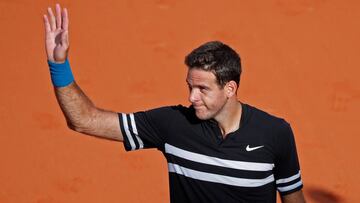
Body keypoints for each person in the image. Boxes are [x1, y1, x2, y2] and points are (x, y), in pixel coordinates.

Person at [43, 4, 306, 203]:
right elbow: (84, 120)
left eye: (202, 89)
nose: (192, 97)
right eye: (190, 87)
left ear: (230, 88)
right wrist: (59, 65)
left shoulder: (275, 133)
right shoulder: (173, 125)